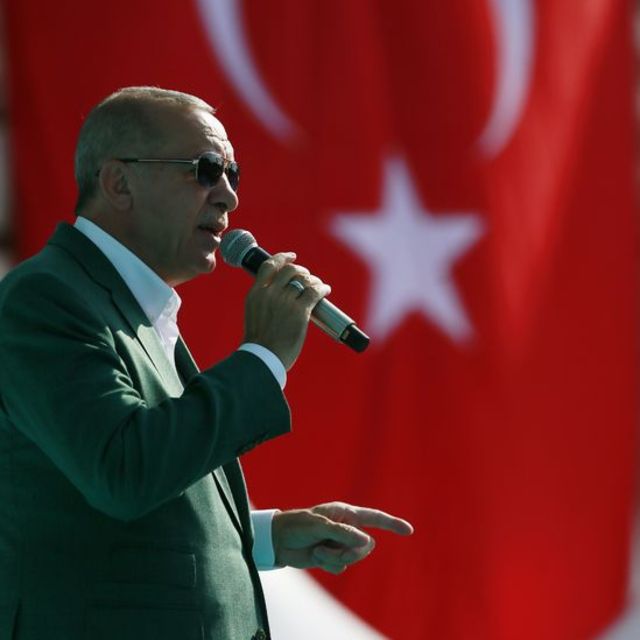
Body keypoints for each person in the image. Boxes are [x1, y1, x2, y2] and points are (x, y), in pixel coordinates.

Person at [0, 87, 413, 640]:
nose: (228, 197)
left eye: (231, 174)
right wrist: (262, 355)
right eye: (205, 170)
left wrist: (261, 536)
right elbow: (124, 471)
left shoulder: (133, 309)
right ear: (119, 182)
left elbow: (125, 504)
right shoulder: (46, 299)